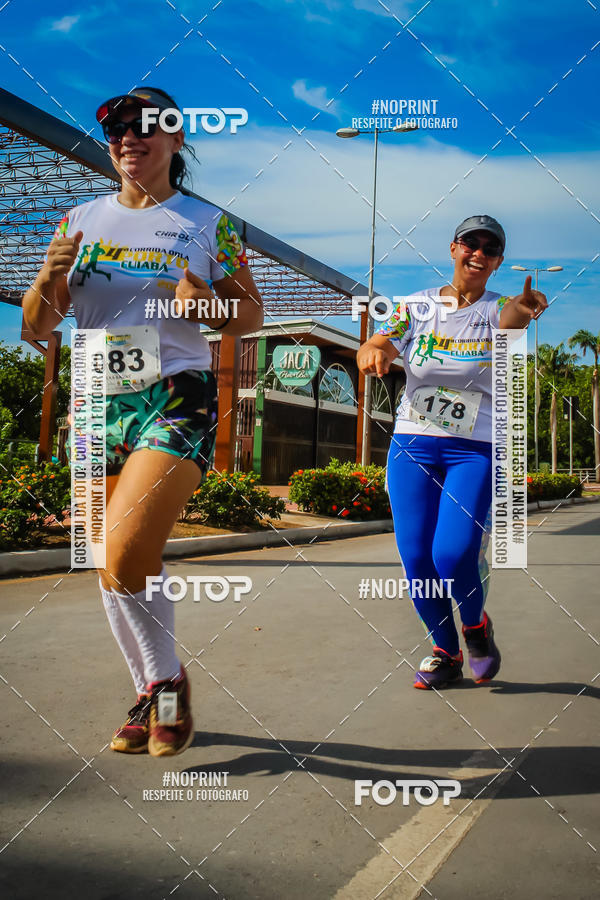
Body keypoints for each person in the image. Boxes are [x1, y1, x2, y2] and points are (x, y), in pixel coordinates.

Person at [22, 87, 263, 754]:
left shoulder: (208, 224)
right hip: (96, 397)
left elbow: (251, 315)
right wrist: (47, 277)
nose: (129, 136)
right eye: (117, 127)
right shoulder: (77, 220)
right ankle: (155, 694)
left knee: (127, 549)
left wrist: (208, 301)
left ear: (176, 139)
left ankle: (164, 686)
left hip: (175, 393)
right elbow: (37, 328)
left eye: (144, 124)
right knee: (109, 561)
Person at [356, 215, 547, 689]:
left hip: (474, 450)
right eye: (470, 243)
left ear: (498, 261)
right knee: (417, 559)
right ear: (453, 248)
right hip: (413, 445)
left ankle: (476, 627)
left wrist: (523, 310)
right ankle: (446, 651)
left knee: (454, 553)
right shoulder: (416, 307)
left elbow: (511, 320)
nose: (478, 252)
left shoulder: (498, 308)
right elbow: (379, 340)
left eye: (489, 248)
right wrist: (374, 351)